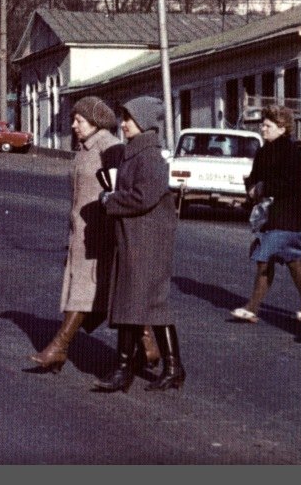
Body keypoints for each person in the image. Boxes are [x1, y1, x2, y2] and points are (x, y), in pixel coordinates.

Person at [94, 96, 184, 393]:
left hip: (146, 241)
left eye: (128, 119)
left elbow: (142, 197)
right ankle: (173, 368)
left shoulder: (149, 156)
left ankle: (124, 369)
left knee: (131, 303)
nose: (123, 124)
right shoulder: (137, 153)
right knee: (153, 305)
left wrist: (110, 200)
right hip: (139, 237)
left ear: (144, 122)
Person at [28, 97, 122, 372]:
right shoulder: (85, 148)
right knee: (91, 291)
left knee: (85, 289)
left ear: (95, 122)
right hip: (80, 233)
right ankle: (149, 345)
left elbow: (117, 190)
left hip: (98, 234)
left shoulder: (109, 147)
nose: (73, 125)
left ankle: (59, 346)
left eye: (79, 120)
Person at [230, 105, 301, 324]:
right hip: (268, 216)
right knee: (292, 260)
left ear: (282, 128)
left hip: (287, 216)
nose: (263, 129)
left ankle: (252, 308)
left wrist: (262, 188)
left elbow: (294, 184)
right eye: (263, 124)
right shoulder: (263, 151)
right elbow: (254, 177)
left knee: (265, 258)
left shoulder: (292, 153)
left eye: (268, 125)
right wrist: (251, 187)